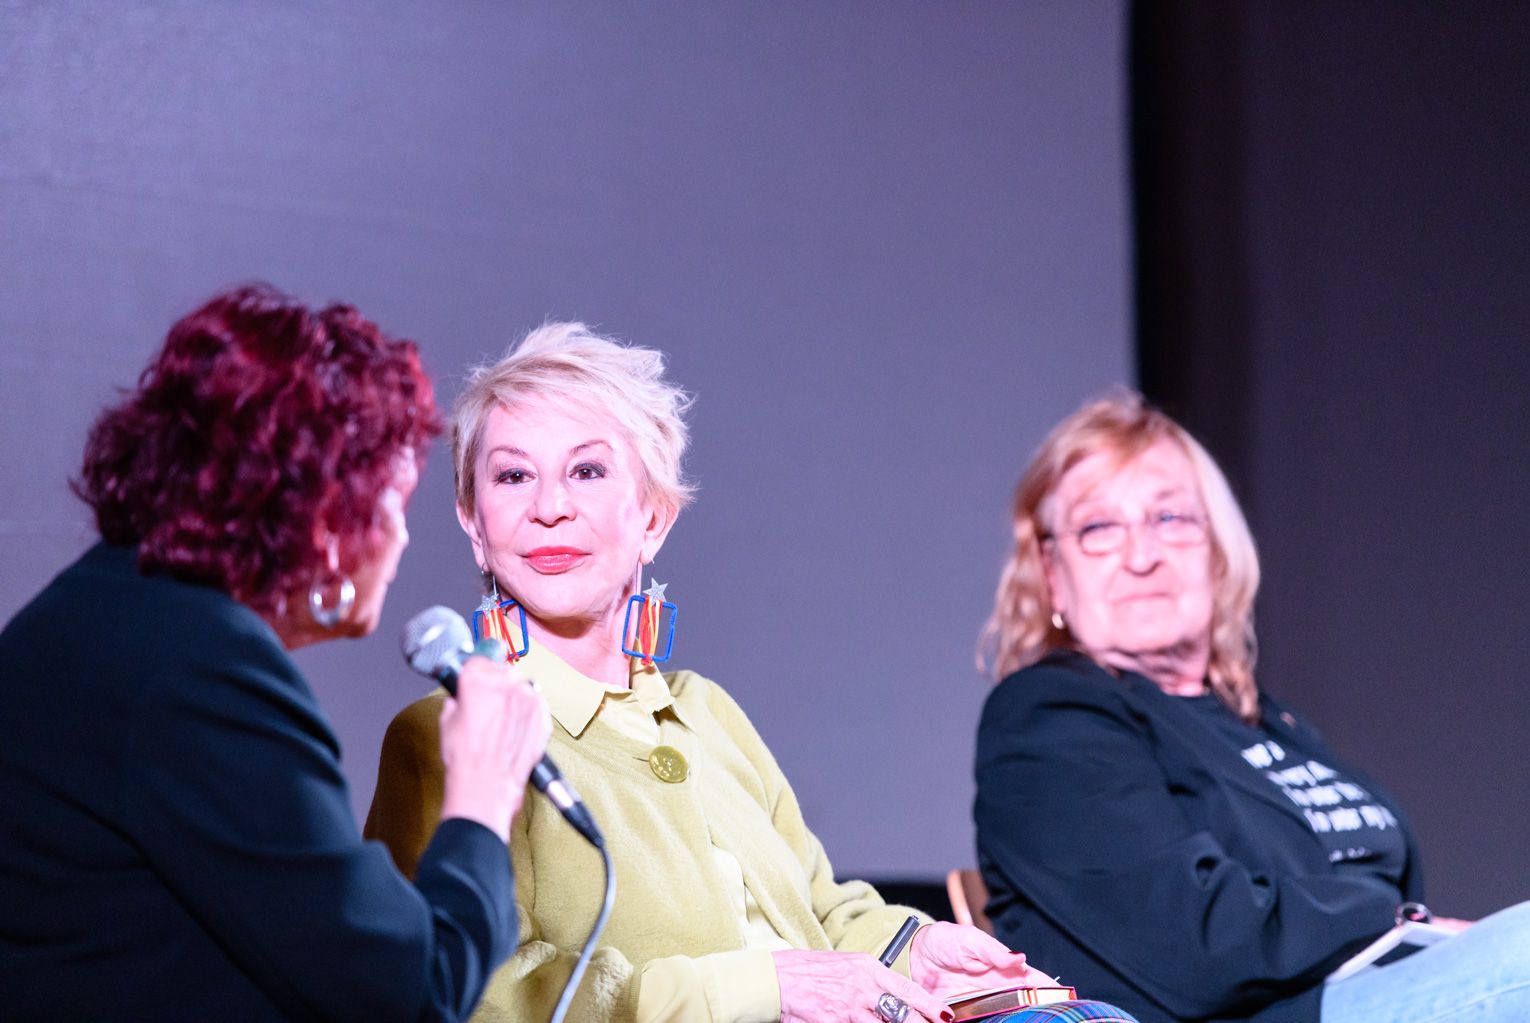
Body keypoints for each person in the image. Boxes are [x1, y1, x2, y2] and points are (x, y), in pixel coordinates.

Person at [365, 323, 1137, 1023]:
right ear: (473, 522)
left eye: (588, 471)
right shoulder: (443, 734)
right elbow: (482, 993)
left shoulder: (707, 711)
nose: (549, 506)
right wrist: (763, 987)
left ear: (652, 518)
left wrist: (915, 947)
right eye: (511, 477)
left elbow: (823, 910)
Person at [0, 285, 552, 1021]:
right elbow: (410, 995)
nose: (403, 537)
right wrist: (483, 794)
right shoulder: (199, 672)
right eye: (394, 499)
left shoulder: (104, 612)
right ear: (329, 516)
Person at [973, 390, 1530, 1023]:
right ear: (1051, 572)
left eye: (1171, 519)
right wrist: (1395, 918)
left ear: (1218, 552)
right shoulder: (1048, 718)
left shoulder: (1263, 722)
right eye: (1099, 529)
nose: (1142, 556)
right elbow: (1195, 939)